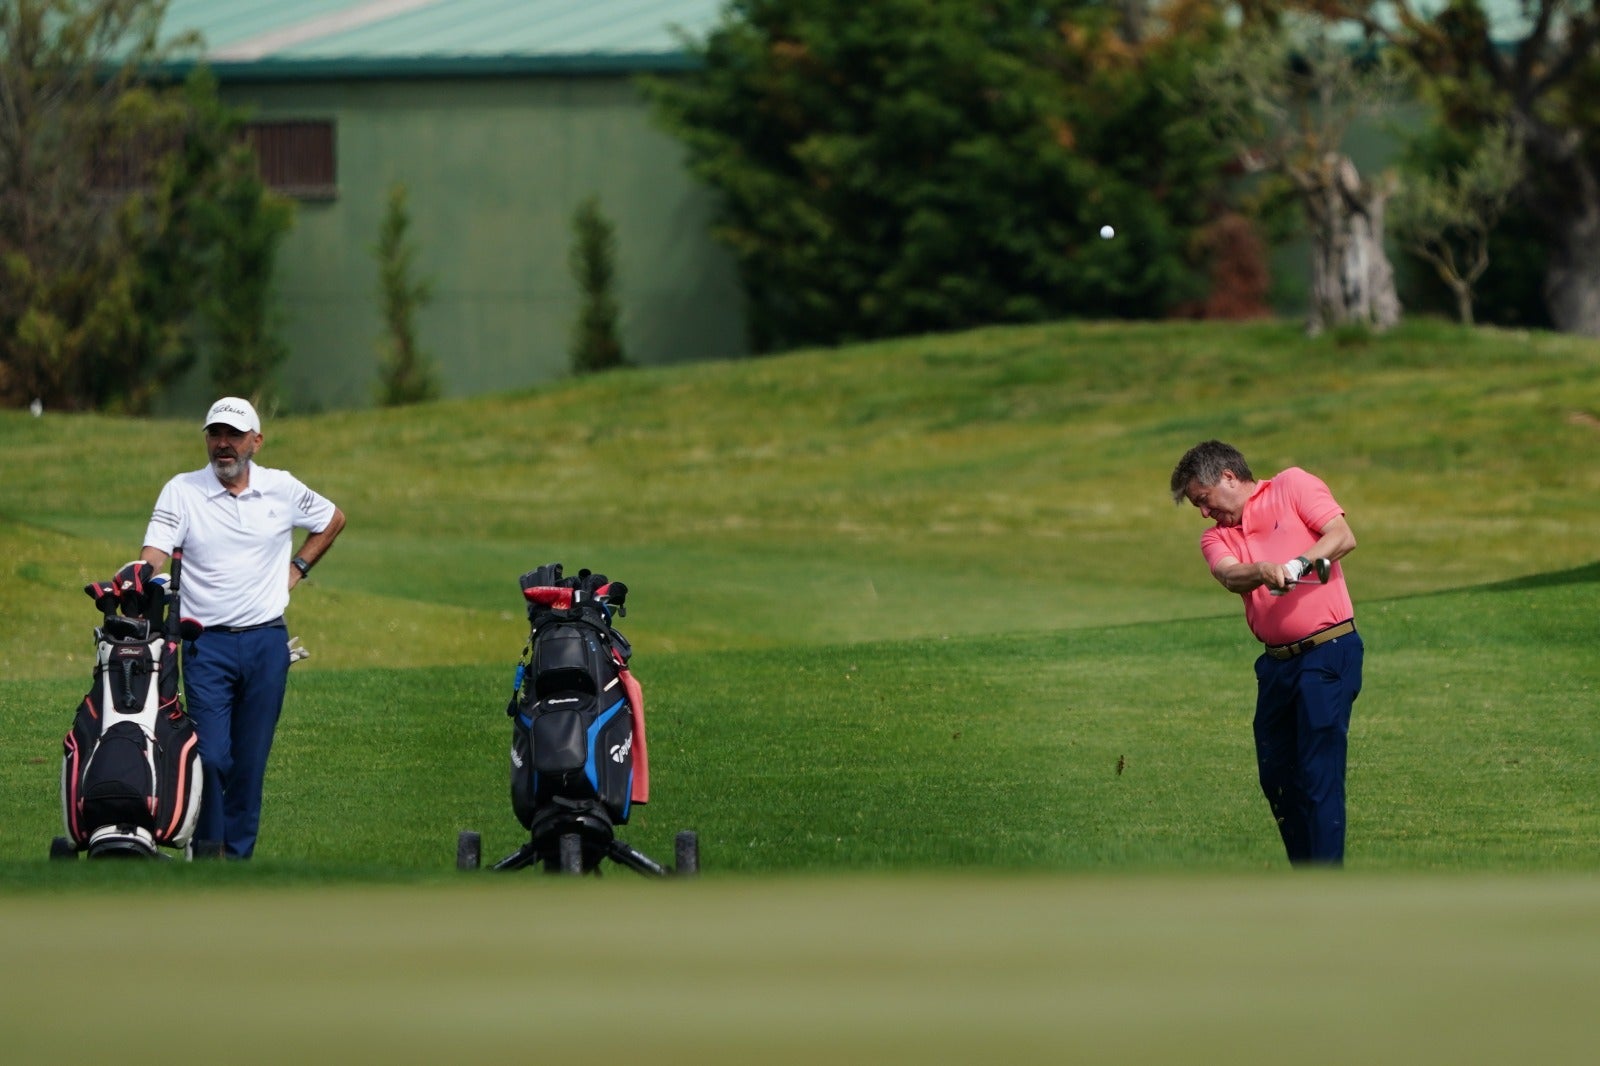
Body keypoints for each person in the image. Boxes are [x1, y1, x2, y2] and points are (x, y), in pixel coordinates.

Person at [133, 396, 345, 859]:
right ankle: (207, 849)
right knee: (211, 757)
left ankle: (236, 858)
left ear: (256, 441)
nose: (223, 444)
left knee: (249, 763)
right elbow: (155, 551)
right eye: (215, 434)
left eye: (233, 435)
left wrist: (297, 570)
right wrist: (135, 575)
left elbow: (332, 519)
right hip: (205, 645)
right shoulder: (182, 490)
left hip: (268, 643)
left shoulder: (281, 488)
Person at [1169, 440, 1361, 867]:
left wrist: (1295, 566)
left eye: (1204, 499)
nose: (1204, 512)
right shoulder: (1216, 536)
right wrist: (1260, 570)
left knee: (1317, 774)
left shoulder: (1292, 486)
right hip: (1276, 667)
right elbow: (1229, 575)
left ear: (1229, 478)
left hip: (1327, 652)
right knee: (1276, 776)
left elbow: (1342, 537)